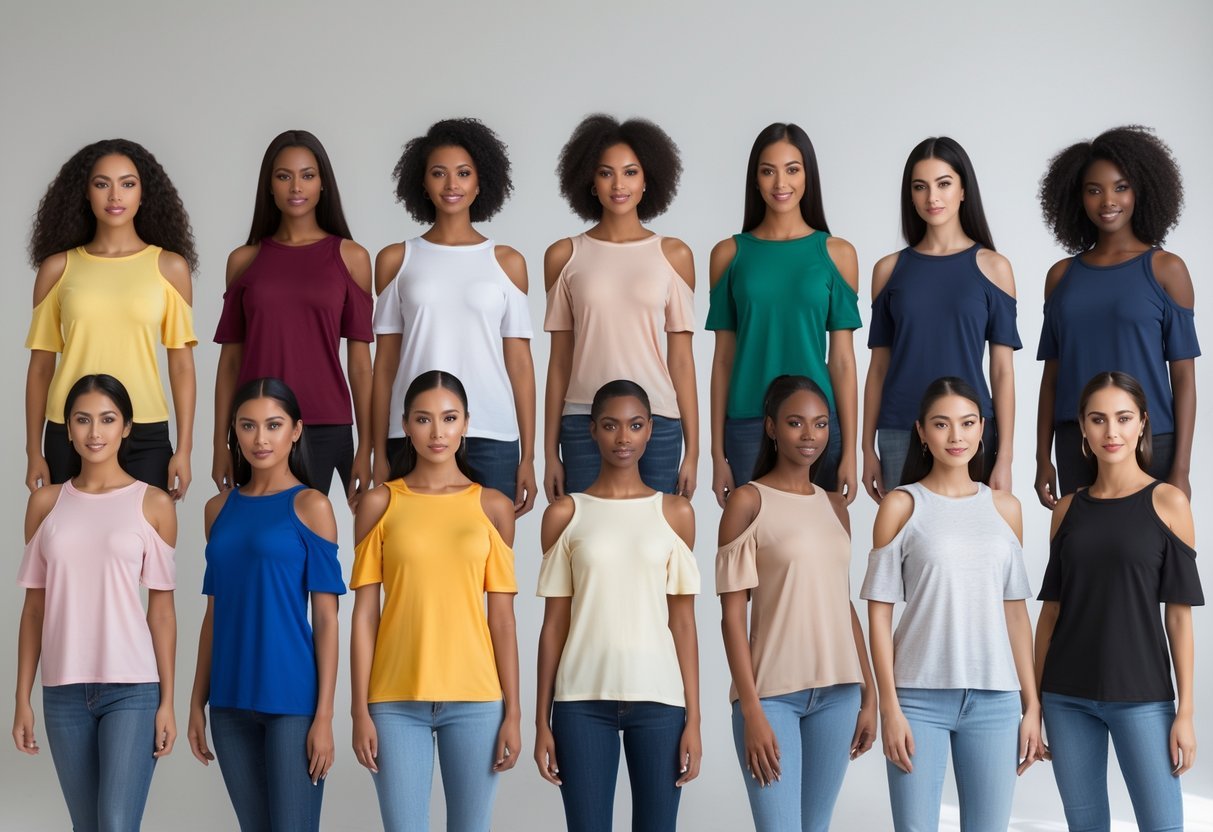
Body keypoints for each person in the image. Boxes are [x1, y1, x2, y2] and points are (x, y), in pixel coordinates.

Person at [861, 377, 1041, 831]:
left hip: (996, 699)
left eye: (967, 423)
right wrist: (889, 707)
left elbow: (1015, 613)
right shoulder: (901, 505)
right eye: (941, 424)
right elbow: (879, 615)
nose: (956, 436)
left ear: (982, 428)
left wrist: (1032, 704)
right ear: (921, 432)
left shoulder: (1006, 508)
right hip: (917, 698)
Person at [351, 371, 520, 831]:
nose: (437, 432)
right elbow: (364, 617)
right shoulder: (379, 504)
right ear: (406, 425)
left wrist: (514, 712)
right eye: (424, 419)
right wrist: (358, 709)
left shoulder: (493, 507)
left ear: (466, 423)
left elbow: (503, 621)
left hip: (477, 699)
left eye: (449, 418)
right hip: (393, 700)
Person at [1035, 371, 1202, 831]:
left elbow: (1179, 618)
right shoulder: (1067, 509)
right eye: (1098, 419)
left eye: (1124, 418)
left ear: (1143, 422)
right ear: (1083, 427)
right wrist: (1035, 703)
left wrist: (1186, 711)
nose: (1112, 431)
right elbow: (1051, 613)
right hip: (1066, 697)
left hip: (1143, 696)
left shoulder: (1169, 503)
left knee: (1163, 825)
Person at [534, 380, 702, 832]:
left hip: (661, 701)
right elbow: (553, 626)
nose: (623, 437)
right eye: (610, 426)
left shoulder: (675, 514)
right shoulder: (565, 515)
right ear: (592, 430)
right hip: (580, 702)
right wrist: (541, 721)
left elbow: (684, 624)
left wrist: (694, 720)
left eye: (635, 425)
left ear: (651, 431)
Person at [14, 374, 177, 830]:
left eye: (107, 419)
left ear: (126, 427)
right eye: (82, 420)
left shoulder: (154, 505)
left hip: (133, 688)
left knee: (116, 822)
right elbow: (34, 610)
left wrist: (167, 700)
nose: (94, 432)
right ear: (67, 428)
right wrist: (22, 697)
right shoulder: (45, 505)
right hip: (62, 691)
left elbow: (162, 612)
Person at [716, 375, 877, 831]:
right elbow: (732, 617)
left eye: (821, 423)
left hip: (839, 694)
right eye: (795, 423)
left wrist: (869, 693)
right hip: (772, 697)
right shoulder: (748, 502)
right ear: (771, 427)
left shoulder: (835, 506)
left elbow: (842, 604)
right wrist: (751, 710)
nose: (810, 435)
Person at [187, 378, 344, 832]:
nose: (260, 438)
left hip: (292, 702)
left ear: (295, 430)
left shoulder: (312, 506)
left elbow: (327, 620)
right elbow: (214, 614)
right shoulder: (217, 510)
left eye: (273, 425)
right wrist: (197, 702)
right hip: (229, 701)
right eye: (248, 426)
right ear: (234, 432)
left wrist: (324, 716)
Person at [371, 118, 536, 512]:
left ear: (480, 183)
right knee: (411, 543)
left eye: (463, 173)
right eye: (438, 173)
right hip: (412, 432)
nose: (451, 184)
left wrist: (529, 456)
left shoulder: (507, 262)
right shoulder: (396, 260)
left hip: (491, 433)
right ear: (423, 183)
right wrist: (375, 448)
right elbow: (385, 364)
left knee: (490, 547)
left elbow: (520, 365)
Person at [1035, 125, 1197, 506]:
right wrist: (1042, 458)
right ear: (1078, 197)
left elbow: (1184, 377)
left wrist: (1181, 469)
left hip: (1149, 440)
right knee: (1078, 541)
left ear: (1141, 190)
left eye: (1120, 187)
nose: (1108, 200)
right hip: (1077, 441)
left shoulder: (1166, 270)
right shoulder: (1061, 277)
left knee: (1149, 542)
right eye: (1094, 190)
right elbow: (1051, 379)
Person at [25, 138, 198, 498]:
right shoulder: (57, 269)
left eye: (127, 184)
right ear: (85, 193)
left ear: (143, 194)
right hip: (70, 428)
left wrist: (184, 449)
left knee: (146, 533)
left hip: (145, 430)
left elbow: (182, 365)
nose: (115, 195)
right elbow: (41, 367)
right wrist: (33, 451)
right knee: (66, 534)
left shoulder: (169, 268)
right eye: (102, 184)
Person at [212, 129, 374, 503]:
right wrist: (221, 442)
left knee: (309, 530)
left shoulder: (351, 258)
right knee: (261, 531)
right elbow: (230, 362)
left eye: (307, 175)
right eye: (284, 176)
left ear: (323, 184)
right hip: (255, 425)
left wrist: (367, 445)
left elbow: (361, 365)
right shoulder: (244, 260)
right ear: (269, 186)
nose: (296, 187)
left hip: (324, 423)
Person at [543, 114, 698, 498]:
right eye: (606, 173)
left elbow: (682, 360)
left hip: (658, 421)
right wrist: (548, 454)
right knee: (586, 529)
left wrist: (694, 452)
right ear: (590, 181)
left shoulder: (673, 255)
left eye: (630, 172)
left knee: (655, 531)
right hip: (584, 420)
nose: (618, 185)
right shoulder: (564, 256)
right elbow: (559, 360)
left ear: (647, 180)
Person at [708, 123, 860, 507]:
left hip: (818, 425)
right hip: (747, 422)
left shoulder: (837, 254)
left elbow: (843, 360)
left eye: (792, 169)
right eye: (768, 170)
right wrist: (716, 454)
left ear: (808, 175)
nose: (781, 182)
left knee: (820, 536)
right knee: (752, 536)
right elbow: (723, 359)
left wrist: (851, 452)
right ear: (755, 179)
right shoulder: (729, 254)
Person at [862, 136, 1019, 500]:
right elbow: (878, 368)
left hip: (970, 431)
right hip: (900, 428)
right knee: (903, 531)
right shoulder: (888, 271)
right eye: (920, 187)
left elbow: (1002, 371)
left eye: (943, 184)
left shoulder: (994, 269)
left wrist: (1006, 456)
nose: (932, 197)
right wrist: (866, 448)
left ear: (963, 190)